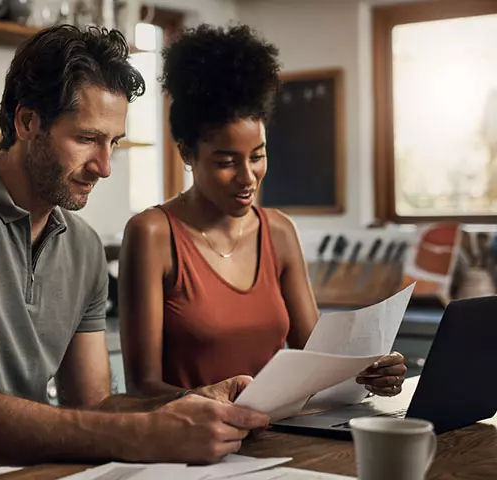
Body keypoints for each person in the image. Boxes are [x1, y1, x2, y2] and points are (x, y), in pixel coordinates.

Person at [0, 25, 270, 480]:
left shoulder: (84, 246)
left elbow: (92, 406)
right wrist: (145, 435)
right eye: (87, 139)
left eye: (114, 143)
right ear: (27, 122)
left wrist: (187, 402)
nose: (105, 168)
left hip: (33, 469)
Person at [118, 25, 407, 399]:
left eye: (258, 156)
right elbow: (141, 388)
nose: (247, 177)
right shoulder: (153, 234)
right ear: (187, 154)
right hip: (191, 445)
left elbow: (319, 361)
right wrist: (213, 401)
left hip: (279, 439)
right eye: (225, 162)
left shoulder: (279, 232)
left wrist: (371, 370)